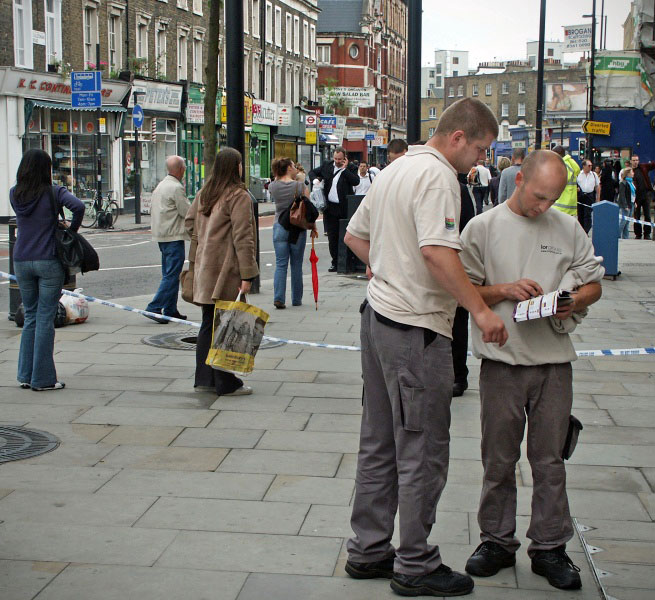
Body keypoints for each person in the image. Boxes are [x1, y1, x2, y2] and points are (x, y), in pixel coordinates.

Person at [343, 98, 507, 598]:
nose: (479, 160)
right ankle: (414, 563)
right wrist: (479, 311)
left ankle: (368, 549)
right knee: (422, 449)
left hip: (377, 320)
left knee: (378, 442)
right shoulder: (438, 177)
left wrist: (387, 269)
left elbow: (354, 236)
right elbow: (437, 252)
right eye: (479, 149)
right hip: (414, 329)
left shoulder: (397, 168)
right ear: (458, 137)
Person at [460, 150, 604, 591]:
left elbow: (594, 283)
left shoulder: (567, 227)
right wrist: (504, 289)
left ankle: (549, 546)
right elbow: (458, 287)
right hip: (502, 363)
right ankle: (497, 541)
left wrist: (573, 300)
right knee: (498, 459)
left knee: (550, 460)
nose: (543, 206)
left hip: (554, 363)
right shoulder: (482, 228)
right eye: (539, 195)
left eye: (553, 198)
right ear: (518, 179)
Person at [185, 148, 259, 397]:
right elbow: (243, 237)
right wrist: (248, 274)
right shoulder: (238, 196)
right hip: (226, 271)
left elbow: (189, 223)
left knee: (209, 323)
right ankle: (226, 382)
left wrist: (203, 244)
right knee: (227, 325)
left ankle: (205, 378)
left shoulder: (206, 192)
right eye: (239, 163)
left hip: (205, 269)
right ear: (235, 166)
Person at [10, 149, 85, 391]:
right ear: (46, 169)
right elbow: (79, 206)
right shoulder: (54, 191)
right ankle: (43, 379)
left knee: (30, 315)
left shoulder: (15, 194)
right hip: (48, 259)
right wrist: (70, 229)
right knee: (44, 317)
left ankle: (25, 374)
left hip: (21, 259)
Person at [144, 156, 191, 323]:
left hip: (161, 236)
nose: (184, 170)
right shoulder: (176, 187)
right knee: (172, 275)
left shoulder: (161, 185)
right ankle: (154, 307)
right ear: (180, 169)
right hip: (173, 236)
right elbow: (187, 212)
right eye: (184, 168)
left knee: (169, 273)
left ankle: (170, 310)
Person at [268, 158, 316, 309]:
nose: (296, 168)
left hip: (279, 226)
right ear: (289, 168)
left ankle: (279, 298)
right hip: (297, 228)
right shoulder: (300, 186)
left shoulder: (272, 186)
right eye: (293, 166)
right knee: (296, 265)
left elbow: (276, 180)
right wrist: (313, 227)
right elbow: (309, 209)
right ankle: (296, 299)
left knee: (281, 264)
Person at [308, 147, 359, 272]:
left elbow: (355, 181)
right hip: (330, 208)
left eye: (340, 159)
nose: (337, 161)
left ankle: (347, 262)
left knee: (346, 236)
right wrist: (315, 180)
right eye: (335, 159)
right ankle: (334, 262)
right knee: (332, 236)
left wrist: (344, 169)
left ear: (345, 158)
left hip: (344, 207)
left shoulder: (351, 168)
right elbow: (312, 172)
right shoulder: (327, 166)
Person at [451, 171, 477, 397]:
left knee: (457, 320)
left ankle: (458, 375)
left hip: (453, 262)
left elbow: (468, 227)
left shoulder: (457, 188)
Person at [551, 145, 580, 218]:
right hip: (569, 206)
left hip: (561, 206)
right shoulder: (570, 164)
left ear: (558, 154)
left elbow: (557, 183)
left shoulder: (563, 166)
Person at [630, 155, 654, 240]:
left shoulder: (643, 167)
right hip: (636, 196)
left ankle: (647, 234)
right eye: (634, 160)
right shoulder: (630, 171)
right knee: (637, 216)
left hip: (646, 194)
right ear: (631, 161)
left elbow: (652, 165)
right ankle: (638, 234)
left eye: (637, 160)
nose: (635, 162)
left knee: (647, 215)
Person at [576, 159, 600, 234]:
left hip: (590, 196)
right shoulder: (579, 174)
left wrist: (598, 197)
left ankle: (586, 230)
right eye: (589, 165)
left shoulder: (594, 174)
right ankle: (581, 229)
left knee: (588, 214)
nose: (590, 167)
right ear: (584, 166)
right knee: (580, 214)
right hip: (581, 196)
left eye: (591, 165)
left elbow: (597, 186)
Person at [618, 167, 636, 239]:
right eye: (632, 172)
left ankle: (625, 237)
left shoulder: (631, 182)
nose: (633, 173)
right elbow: (622, 195)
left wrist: (634, 202)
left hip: (631, 203)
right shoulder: (623, 183)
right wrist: (625, 205)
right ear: (628, 173)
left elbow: (633, 193)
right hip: (626, 204)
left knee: (628, 222)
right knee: (624, 221)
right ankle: (618, 235)